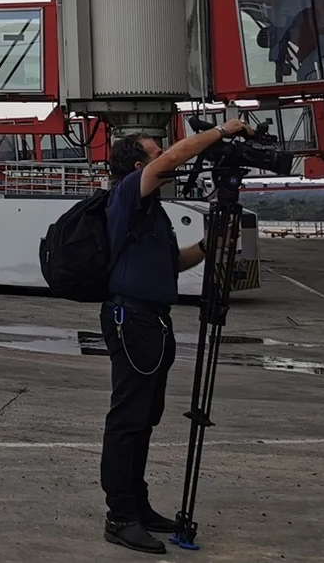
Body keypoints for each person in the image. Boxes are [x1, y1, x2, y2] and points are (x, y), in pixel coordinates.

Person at [97, 118, 248, 554]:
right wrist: (223, 131)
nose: (165, 159)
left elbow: (171, 265)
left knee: (144, 418)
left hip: (154, 321)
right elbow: (176, 157)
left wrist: (207, 246)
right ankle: (119, 516)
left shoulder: (153, 213)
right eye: (154, 153)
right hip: (133, 322)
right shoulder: (127, 193)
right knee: (127, 420)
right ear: (137, 165)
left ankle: (138, 506)